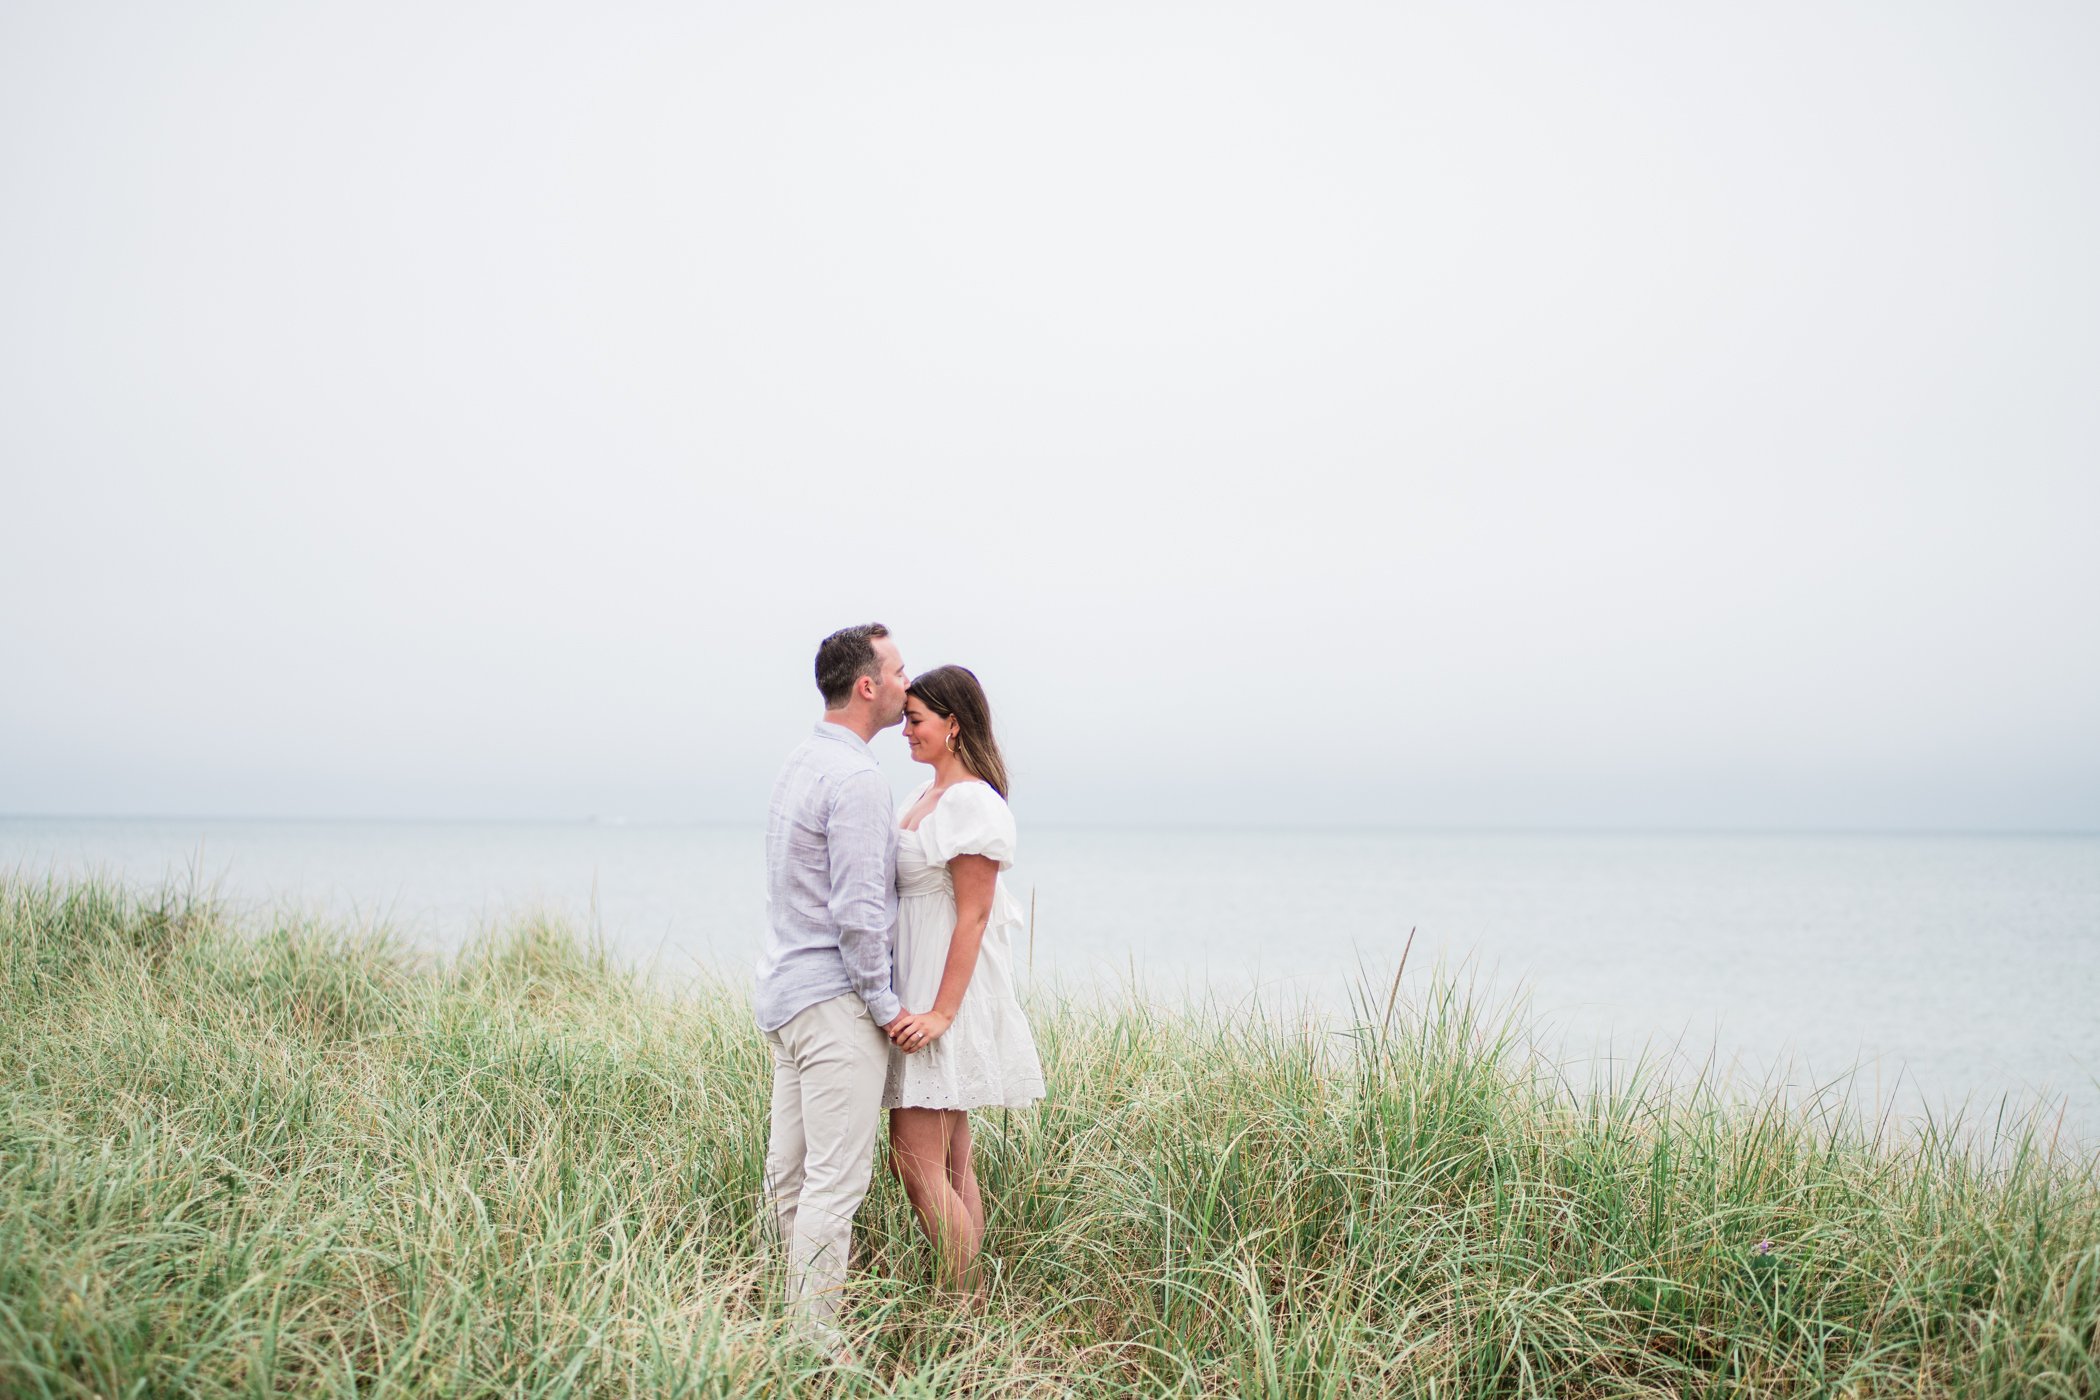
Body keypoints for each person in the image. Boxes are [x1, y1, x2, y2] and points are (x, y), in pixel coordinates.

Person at [752, 622, 911, 1356]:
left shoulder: (799, 762)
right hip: (834, 1006)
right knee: (832, 1186)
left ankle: (786, 1332)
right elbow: (857, 912)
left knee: (789, 1176)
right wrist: (885, 1007)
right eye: (900, 673)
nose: (909, 688)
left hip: (787, 997)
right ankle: (819, 1350)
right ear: (867, 686)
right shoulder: (857, 780)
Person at [883, 665, 1047, 1293]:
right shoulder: (918, 799)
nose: (906, 730)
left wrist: (941, 1014)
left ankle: (963, 1304)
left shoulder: (973, 803)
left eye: (916, 719)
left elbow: (974, 916)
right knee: (951, 1163)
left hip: (943, 995)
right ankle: (972, 1315)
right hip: (920, 985)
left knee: (914, 1157)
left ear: (953, 724)